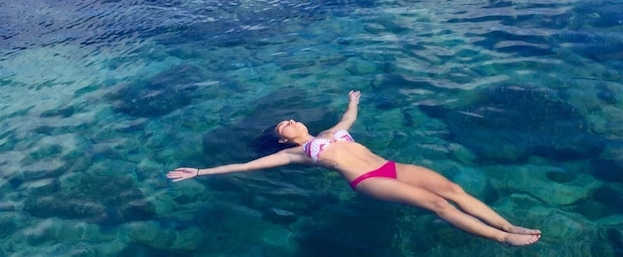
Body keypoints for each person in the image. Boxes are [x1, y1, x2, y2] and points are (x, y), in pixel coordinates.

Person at [167, 90, 541, 246]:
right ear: (283, 140)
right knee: (439, 206)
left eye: (290, 118)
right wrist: (200, 172)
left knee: (455, 192)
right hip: (367, 180)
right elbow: (245, 166)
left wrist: (352, 100)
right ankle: (503, 239)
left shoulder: (331, 131)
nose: (291, 120)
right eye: (284, 124)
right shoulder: (296, 154)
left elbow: (349, 117)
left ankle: (507, 223)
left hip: (391, 166)